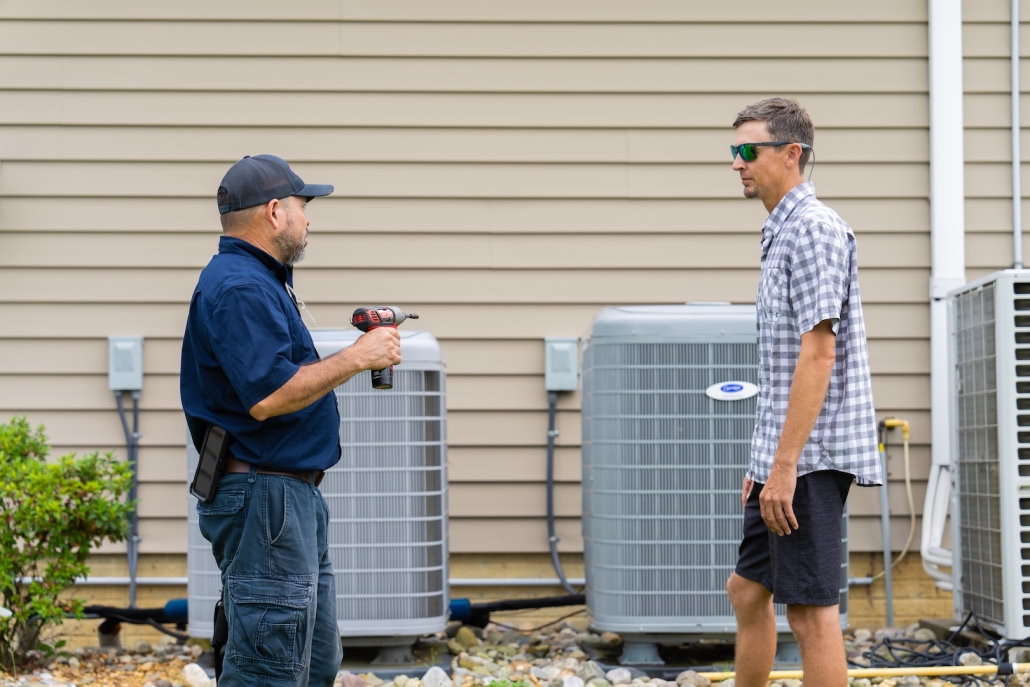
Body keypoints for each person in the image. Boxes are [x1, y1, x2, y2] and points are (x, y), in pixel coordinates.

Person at [180, 154, 402, 687]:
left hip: (285, 499)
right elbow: (268, 395)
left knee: (312, 663)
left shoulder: (258, 281)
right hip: (266, 499)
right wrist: (358, 356)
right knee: (270, 669)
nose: (309, 219)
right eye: (304, 206)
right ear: (275, 211)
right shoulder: (241, 288)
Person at [724, 98, 881, 687]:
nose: (737, 163)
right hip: (786, 457)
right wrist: (765, 461)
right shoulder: (781, 231)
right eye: (733, 151)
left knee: (812, 614)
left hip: (810, 459)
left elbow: (818, 354)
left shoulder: (813, 230)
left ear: (792, 155)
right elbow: (786, 358)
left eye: (748, 150)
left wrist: (785, 466)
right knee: (746, 591)